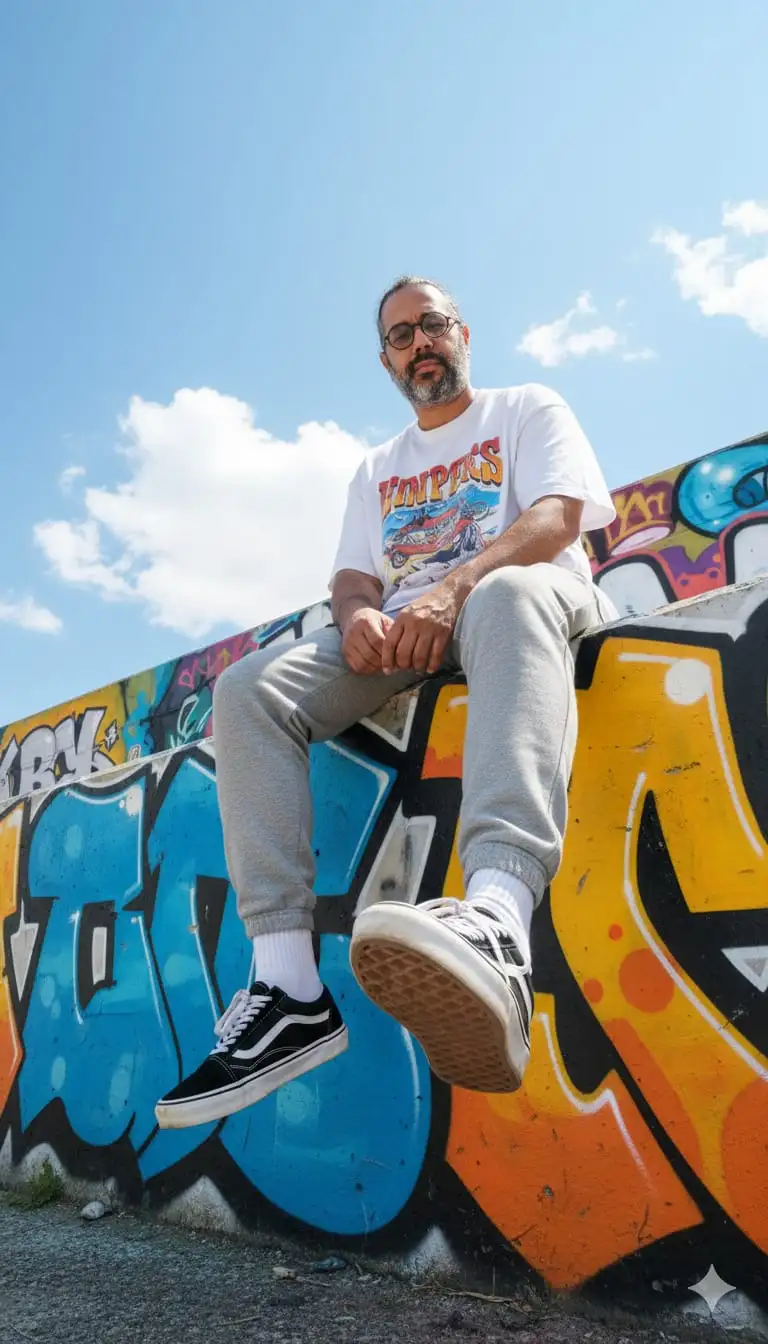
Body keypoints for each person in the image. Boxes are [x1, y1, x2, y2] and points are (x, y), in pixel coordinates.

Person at [155, 276, 617, 1129]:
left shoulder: (525, 409)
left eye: (431, 325)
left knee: (509, 595)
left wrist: (458, 586)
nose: (419, 344)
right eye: (400, 337)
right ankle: (287, 985)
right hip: (410, 634)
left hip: (527, 601)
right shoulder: (377, 468)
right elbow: (352, 574)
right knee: (248, 689)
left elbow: (557, 518)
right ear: (386, 360)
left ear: (463, 332)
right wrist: (359, 614)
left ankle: (499, 923)